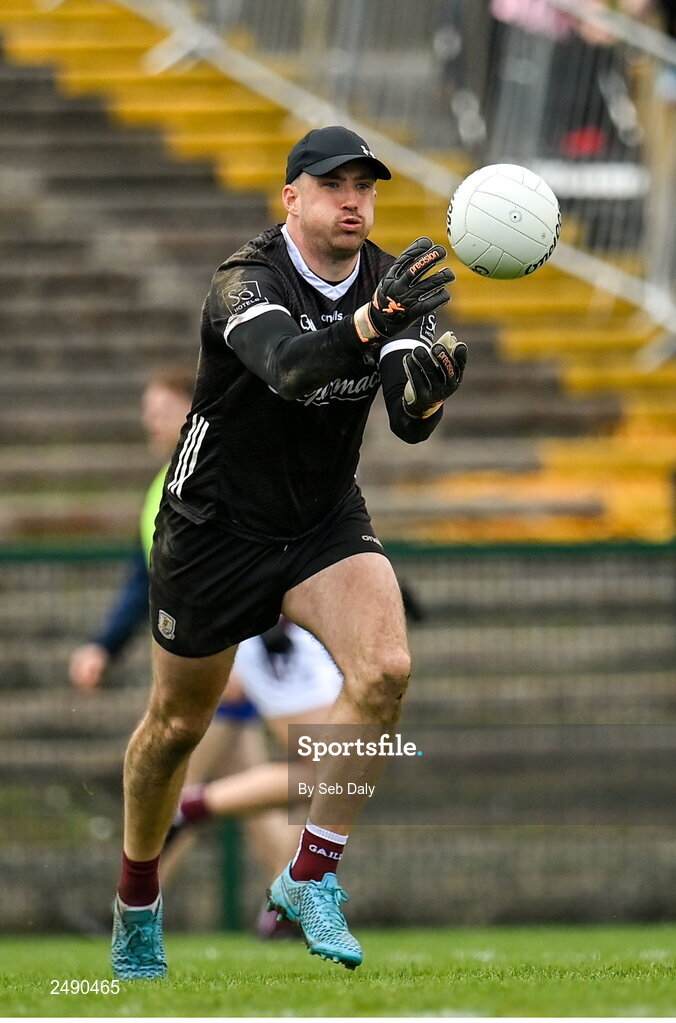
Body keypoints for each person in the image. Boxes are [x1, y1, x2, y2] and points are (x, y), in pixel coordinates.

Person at [111, 123, 467, 979]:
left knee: (385, 669)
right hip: (213, 528)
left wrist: (428, 394)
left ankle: (310, 875)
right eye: (334, 183)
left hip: (319, 520)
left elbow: (408, 423)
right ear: (293, 198)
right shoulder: (246, 279)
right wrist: (376, 320)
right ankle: (136, 901)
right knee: (175, 725)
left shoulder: (390, 281)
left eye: (366, 186)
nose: (354, 200)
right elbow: (293, 366)